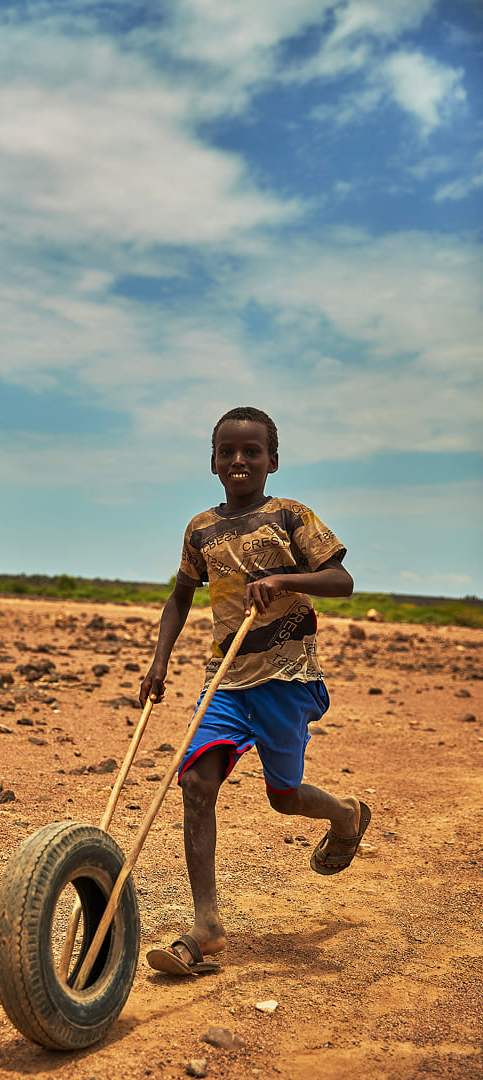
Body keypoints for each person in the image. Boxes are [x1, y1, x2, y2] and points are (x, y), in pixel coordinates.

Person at [141, 406, 371, 977]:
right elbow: (180, 597)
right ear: (213, 461)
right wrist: (159, 660)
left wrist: (283, 579)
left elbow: (342, 581)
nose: (239, 460)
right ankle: (207, 926)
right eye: (228, 452)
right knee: (195, 780)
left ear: (273, 460)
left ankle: (344, 816)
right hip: (227, 678)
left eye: (252, 452)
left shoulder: (291, 516)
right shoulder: (200, 528)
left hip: (286, 678)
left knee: (284, 797)